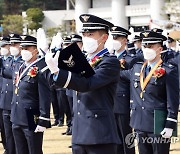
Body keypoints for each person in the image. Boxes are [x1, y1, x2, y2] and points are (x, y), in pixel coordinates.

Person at [45, 14, 121, 154]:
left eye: (90, 34)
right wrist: (53, 70)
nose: (86, 38)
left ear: (104, 38)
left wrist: (58, 71)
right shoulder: (80, 59)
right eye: (84, 34)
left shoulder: (110, 62)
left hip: (100, 134)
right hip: (79, 132)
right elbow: (56, 83)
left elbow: (88, 84)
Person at [120, 31, 179, 154]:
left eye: (151, 46)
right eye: (145, 46)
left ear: (160, 49)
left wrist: (170, 123)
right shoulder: (137, 68)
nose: (147, 49)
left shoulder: (168, 71)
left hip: (158, 123)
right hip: (139, 122)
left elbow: (173, 100)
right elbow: (116, 74)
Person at [10, 35, 51, 154]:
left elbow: (45, 96)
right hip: (17, 115)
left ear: (35, 50)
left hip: (31, 115)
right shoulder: (20, 66)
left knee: (34, 149)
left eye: (27, 48)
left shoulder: (40, 69)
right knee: (20, 150)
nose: (23, 51)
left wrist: (43, 118)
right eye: (22, 48)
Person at [110, 26, 138, 154]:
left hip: (123, 103)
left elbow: (134, 84)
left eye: (117, 37)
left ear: (125, 40)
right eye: (113, 37)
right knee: (113, 140)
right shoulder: (108, 58)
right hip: (109, 103)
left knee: (127, 139)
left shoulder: (131, 59)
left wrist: (132, 105)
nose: (114, 40)